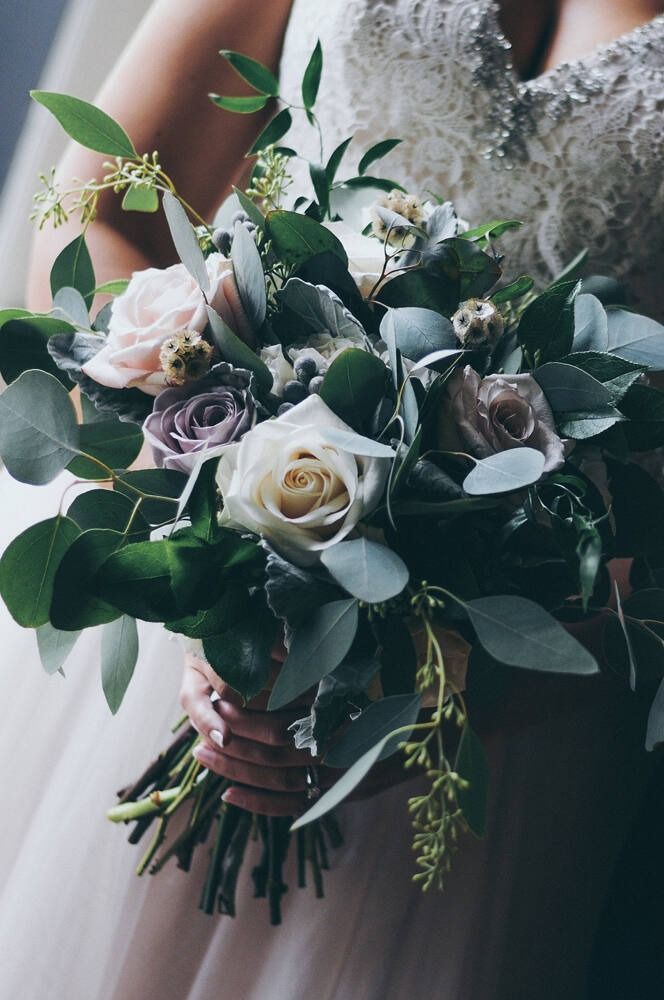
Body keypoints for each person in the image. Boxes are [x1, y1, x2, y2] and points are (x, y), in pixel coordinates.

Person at [1, 0, 663, 997]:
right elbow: (93, 213)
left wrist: (457, 688)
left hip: (518, 671)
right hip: (191, 572)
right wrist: (205, 511)